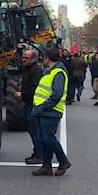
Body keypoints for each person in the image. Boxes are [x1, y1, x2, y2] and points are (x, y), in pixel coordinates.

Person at [31, 44, 71, 176]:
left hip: (50, 111)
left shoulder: (58, 72)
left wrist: (42, 107)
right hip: (44, 110)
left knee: (48, 138)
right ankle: (46, 166)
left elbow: (57, 94)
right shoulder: (51, 70)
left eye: (44, 57)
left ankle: (63, 161)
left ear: (48, 58)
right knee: (43, 138)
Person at [19, 47, 45, 166]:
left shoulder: (36, 71)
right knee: (31, 129)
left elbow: (35, 88)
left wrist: (22, 94)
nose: (23, 59)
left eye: (26, 58)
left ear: (34, 59)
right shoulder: (28, 69)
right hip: (29, 103)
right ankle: (37, 153)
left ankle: (40, 155)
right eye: (23, 57)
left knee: (35, 131)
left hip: (33, 104)